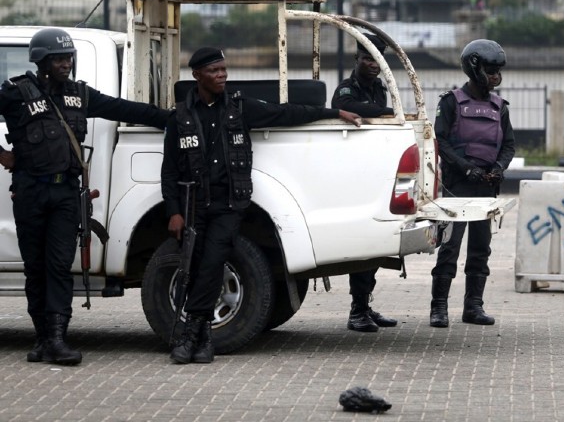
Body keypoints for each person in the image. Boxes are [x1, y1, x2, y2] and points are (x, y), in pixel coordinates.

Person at [162, 47, 361, 364]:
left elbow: (286, 113)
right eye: (214, 71)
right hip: (194, 206)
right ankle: (202, 340)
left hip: (229, 205)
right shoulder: (181, 117)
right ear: (197, 75)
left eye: (224, 69)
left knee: (213, 263)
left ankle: (189, 336)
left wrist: (333, 113)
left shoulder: (240, 108)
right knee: (196, 267)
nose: (222, 75)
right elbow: (170, 171)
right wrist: (174, 211)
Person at [0, 27, 169, 366]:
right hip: (30, 192)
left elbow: (124, 109)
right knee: (36, 269)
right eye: (58, 59)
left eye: (69, 58)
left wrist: (174, 119)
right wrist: (2, 155)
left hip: (65, 194)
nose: (66, 64)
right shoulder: (15, 93)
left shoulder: (79, 95)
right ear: (41, 62)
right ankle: (43, 339)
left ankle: (57, 339)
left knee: (59, 266)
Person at [429, 39, 515, 328]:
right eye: (491, 71)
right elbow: (440, 141)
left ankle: (473, 307)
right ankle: (439, 308)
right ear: (475, 69)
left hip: (486, 188)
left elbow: (509, 146)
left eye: (498, 71)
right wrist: (467, 169)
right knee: (450, 246)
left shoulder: (499, 107)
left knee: (480, 248)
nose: (496, 77)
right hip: (457, 188)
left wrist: (499, 168)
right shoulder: (450, 102)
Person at [331, 33, 397, 333]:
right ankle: (357, 311)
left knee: (375, 246)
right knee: (362, 247)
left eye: (377, 59)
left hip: (375, 171)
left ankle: (364, 307)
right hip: (352, 173)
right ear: (357, 59)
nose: (373, 64)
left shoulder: (380, 88)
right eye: (368, 58)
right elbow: (350, 108)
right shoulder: (347, 88)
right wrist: (384, 112)